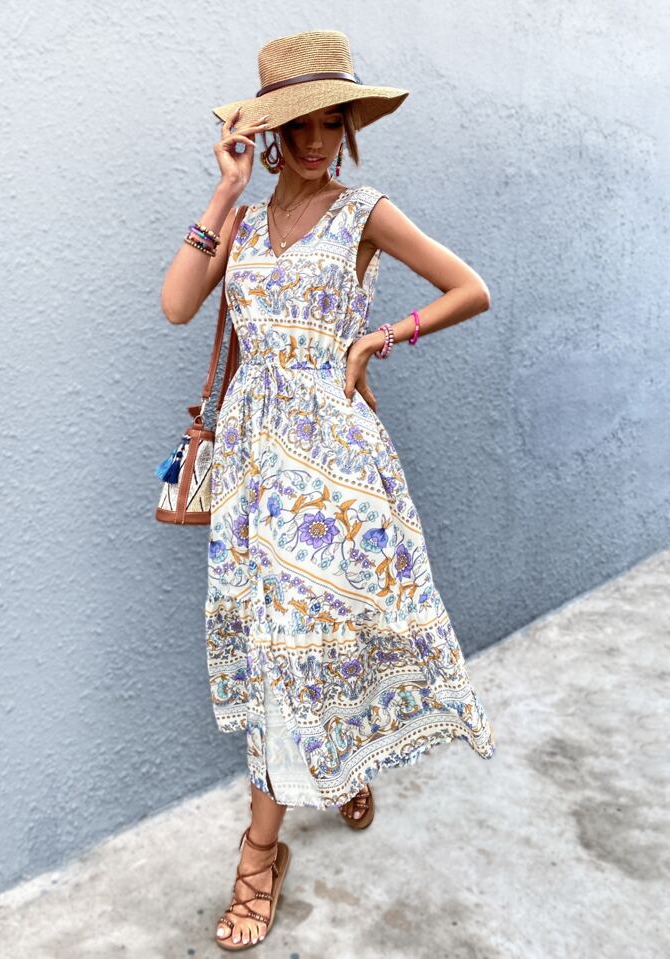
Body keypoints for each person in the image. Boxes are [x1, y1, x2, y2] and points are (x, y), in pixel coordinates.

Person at [160, 28, 496, 952]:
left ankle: (286, 821)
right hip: (253, 465)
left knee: (325, 633)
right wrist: (223, 190)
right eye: (298, 124)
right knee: (276, 646)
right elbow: (179, 304)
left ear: (349, 124)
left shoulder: (363, 211)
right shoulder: (242, 222)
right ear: (271, 133)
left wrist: (379, 338)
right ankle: (278, 833)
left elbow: (469, 288)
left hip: (336, 463)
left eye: (331, 120)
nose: (316, 140)